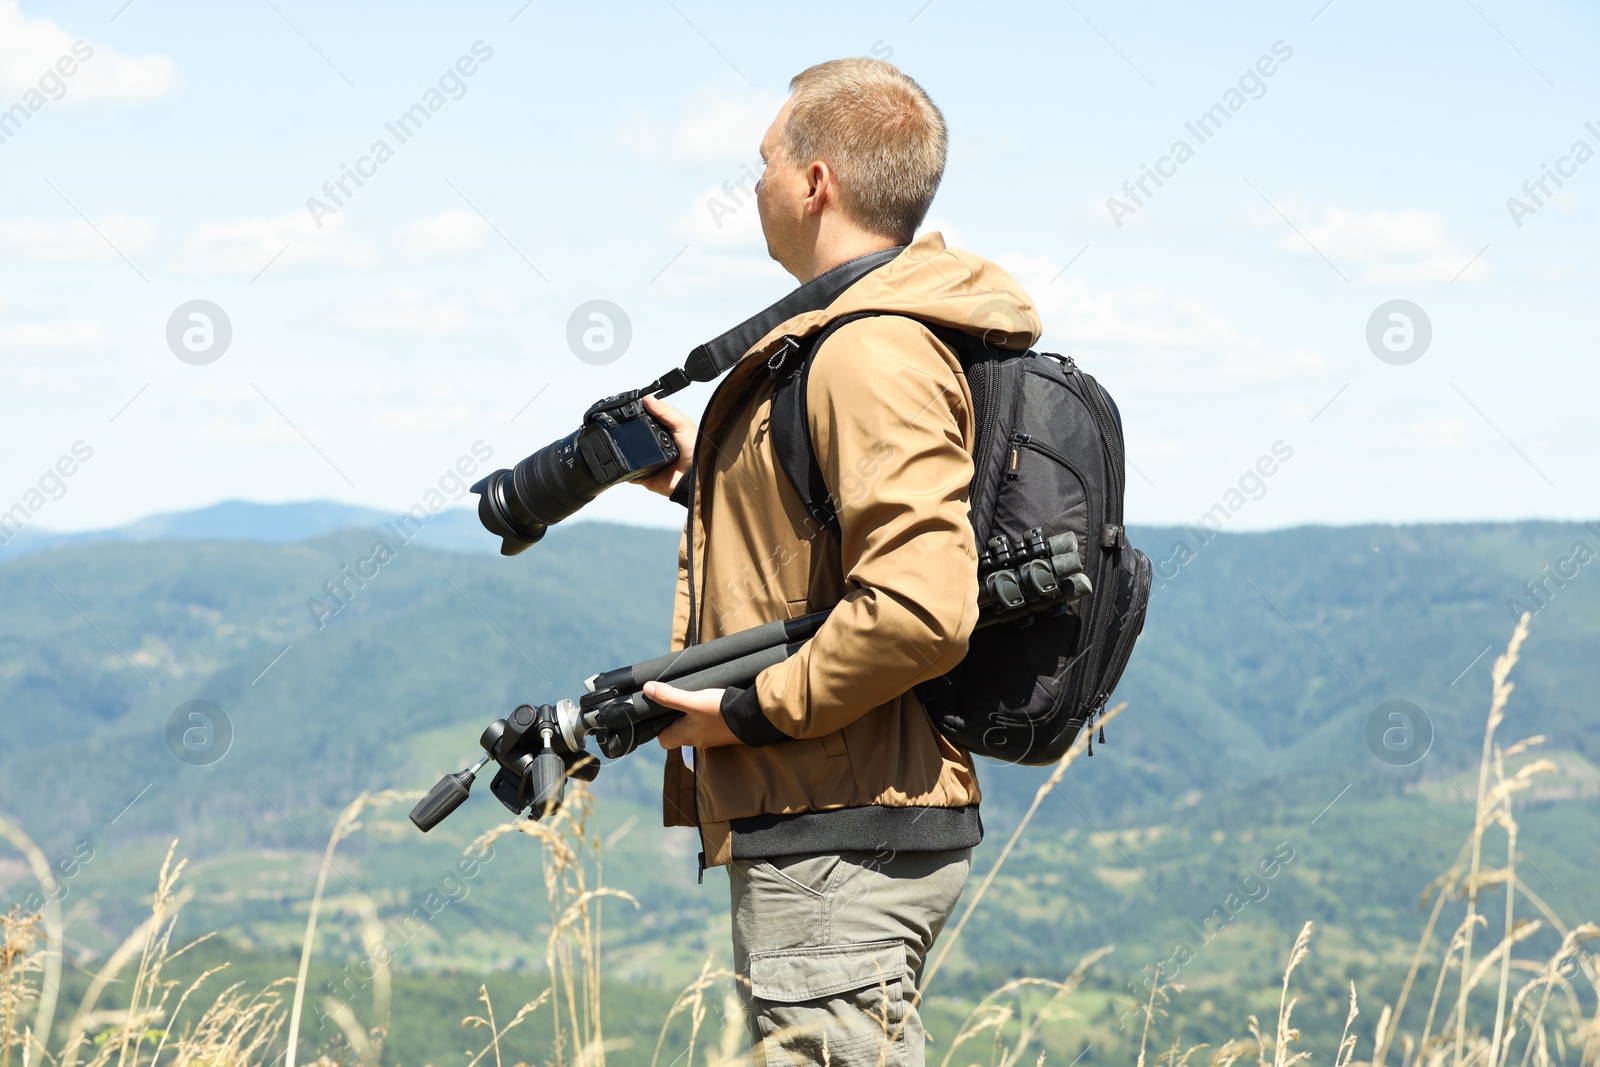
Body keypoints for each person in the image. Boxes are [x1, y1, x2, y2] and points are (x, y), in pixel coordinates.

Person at [633, 57, 1041, 1066]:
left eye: (765, 161)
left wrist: (742, 711)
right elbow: (844, 539)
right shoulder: (864, 338)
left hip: (835, 826)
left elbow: (914, 608)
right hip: (836, 811)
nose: (757, 184)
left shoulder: (868, 349)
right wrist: (703, 481)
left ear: (816, 181)